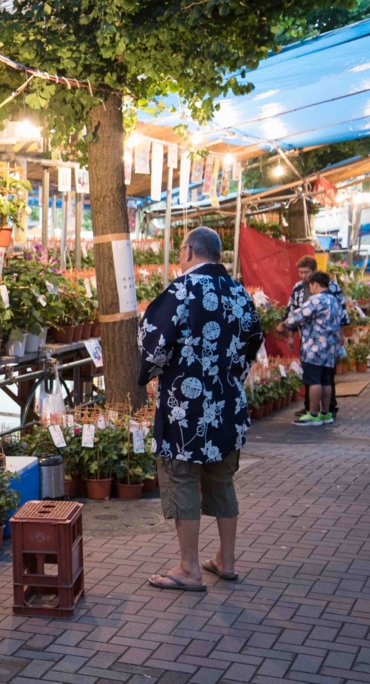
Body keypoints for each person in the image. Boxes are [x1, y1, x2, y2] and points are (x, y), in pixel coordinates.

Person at [138, 227, 264, 591]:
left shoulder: (182, 290)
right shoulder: (239, 292)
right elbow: (255, 339)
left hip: (185, 405)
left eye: (181, 251)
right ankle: (227, 559)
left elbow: (153, 343)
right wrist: (230, 376)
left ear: (189, 251)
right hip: (227, 403)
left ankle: (189, 569)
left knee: (181, 477)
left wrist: (151, 374)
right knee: (222, 478)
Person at [284, 256, 349, 416]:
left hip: (316, 342)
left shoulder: (330, 287)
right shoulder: (298, 288)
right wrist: (291, 336)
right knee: (313, 376)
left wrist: (341, 334)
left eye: (306, 272)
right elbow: (291, 309)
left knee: (322, 376)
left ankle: (325, 409)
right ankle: (312, 407)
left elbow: (342, 311)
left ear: (314, 271)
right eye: (300, 272)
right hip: (309, 338)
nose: (303, 275)